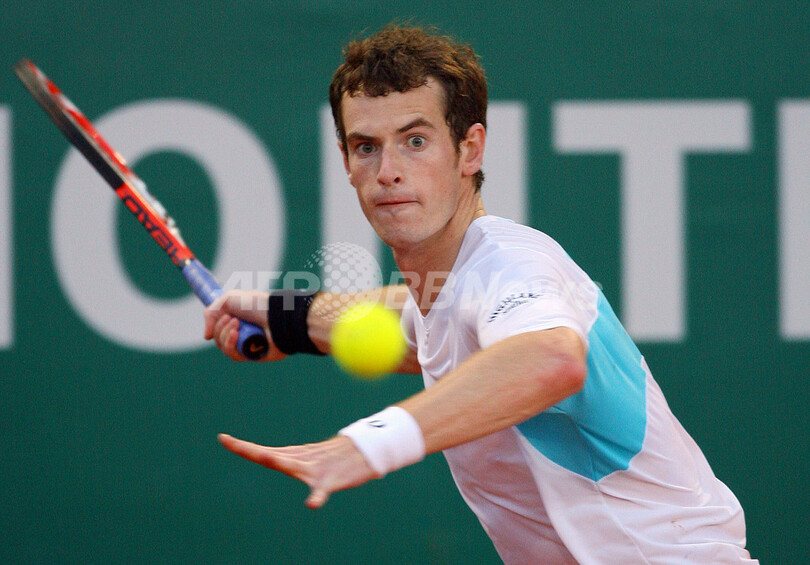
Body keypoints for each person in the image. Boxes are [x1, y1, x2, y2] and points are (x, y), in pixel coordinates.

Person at [203, 25, 757, 564]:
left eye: (415, 141)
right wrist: (287, 318)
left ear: (469, 151)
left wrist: (370, 444)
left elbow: (552, 359)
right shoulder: (454, 287)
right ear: (346, 162)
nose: (388, 171)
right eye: (366, 147)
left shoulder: (510, 264)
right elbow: (416, 321)